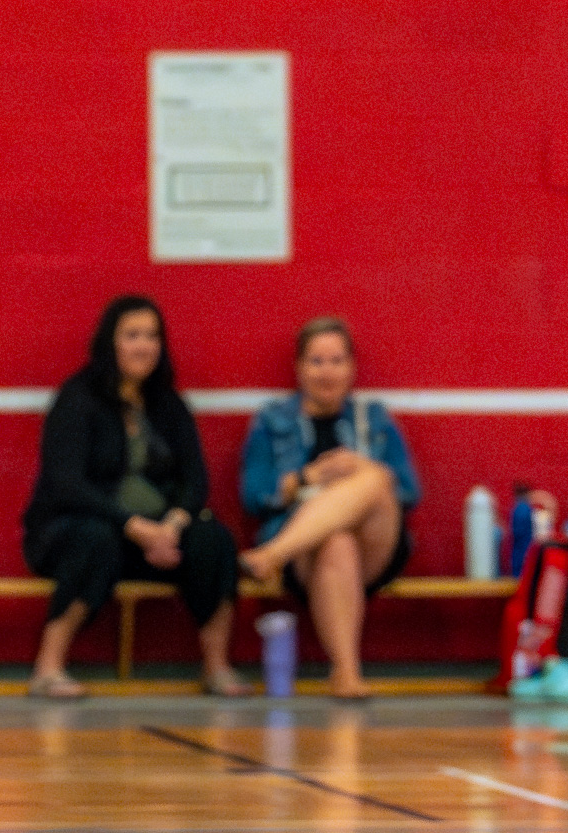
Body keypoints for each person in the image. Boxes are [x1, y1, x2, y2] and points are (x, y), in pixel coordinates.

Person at [22, 295, 246, 698]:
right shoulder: (77, 399)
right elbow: (66, 484)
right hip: (74, 531)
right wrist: (134, 526)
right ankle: (48, 667)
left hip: (159, 538)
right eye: (132, 335)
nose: (144, 345)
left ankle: (216, 667)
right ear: (111, 342)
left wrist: (173, 527)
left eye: (152, 336)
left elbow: (196, 481)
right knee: (95, 540)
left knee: (214, 540)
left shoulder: (169, 404)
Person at [239, 317, 420, 698]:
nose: (327, 371)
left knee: (374, 478)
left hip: (376, 541)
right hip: (306, 549)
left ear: (351, 367)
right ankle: (346, 672)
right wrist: (308, 478)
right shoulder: (273, 420)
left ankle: (269, 556)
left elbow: (408, 491)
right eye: (316, 361)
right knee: (337, 540)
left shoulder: (373, 419)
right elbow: (253, 495)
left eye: (336, 361)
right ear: (299, 368)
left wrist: (360, 470)